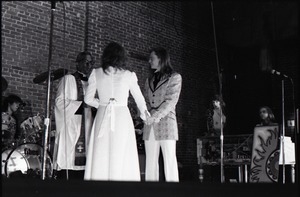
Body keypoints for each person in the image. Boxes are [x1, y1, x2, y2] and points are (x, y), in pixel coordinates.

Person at [83, 42, 150, 181]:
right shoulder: (129, 75)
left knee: (101, 151)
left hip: (103, 115)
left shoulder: (96, 73)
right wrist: (145, 115)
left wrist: (102, 104)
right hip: (121, 117)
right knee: (121, 151)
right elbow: (139, 99)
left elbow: (88, 99)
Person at [53, 51, 95, 180]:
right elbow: (59, 102)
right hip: (72, 124)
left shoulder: (92, 83)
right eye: (85, 61)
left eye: (90, 62)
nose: (88, 65)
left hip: (88, 124)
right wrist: (81, 105)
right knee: (69, 158)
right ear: (78, 63)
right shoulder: (68, 79)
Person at [143, 47, 182, 182]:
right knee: (150, 162)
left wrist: (155, 116)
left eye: (152, 58)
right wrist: (144, 114)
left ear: (160, 59)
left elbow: (171, 101)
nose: (149, 61)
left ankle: (173, 192)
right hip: (149, 125)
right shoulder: (148, 80)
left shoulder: (175, 77)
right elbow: (145, 101)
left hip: (167, 124)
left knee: (169, 160)